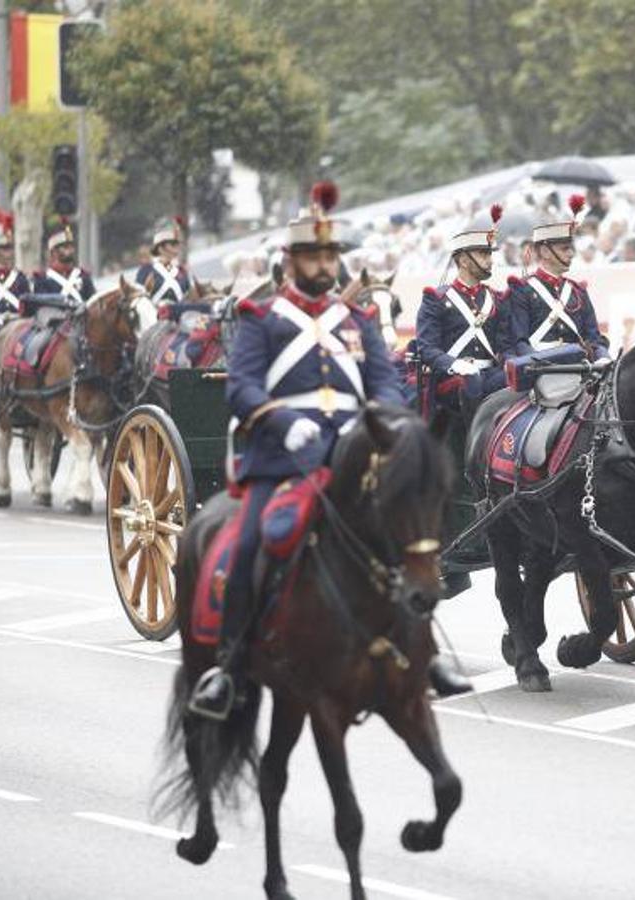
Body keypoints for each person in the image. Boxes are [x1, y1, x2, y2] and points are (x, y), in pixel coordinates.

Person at [189, 182, 456, 719]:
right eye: (312, 255)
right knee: (252, 544)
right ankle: (230, 661)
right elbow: (241, 387)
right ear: (290, 262)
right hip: (281, 458)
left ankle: (423, 655)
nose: (322, 264)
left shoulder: (356, 322)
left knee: (407, 540)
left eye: (329, 255)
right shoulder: (260, 319)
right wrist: (282, 420)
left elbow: (385, 383)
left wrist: (383, 422)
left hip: (352, 455)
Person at [414, 206, 508, 419]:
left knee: (516, 379)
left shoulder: (495, 298)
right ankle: (472, 443)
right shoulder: (436, 298)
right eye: (483, 254)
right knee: (471, 382)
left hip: (489, 373)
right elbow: (427, 349)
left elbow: (504, 343)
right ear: (464, 260)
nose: (490, 260)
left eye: (489, 254)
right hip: (452, 378)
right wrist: (454, 364)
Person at [504, 195, 610, 362]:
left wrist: (603, 357)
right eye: (564, 249)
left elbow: (594, 338)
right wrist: (541, 363)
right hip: (540, 368)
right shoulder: (522, 290)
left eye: (571, 248)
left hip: (578, 365)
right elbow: (519, 342)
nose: (571, 254)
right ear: (545, 252)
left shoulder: (578, 291)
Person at [135, 219, 194, 312]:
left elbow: (191, 299)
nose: (177, 248)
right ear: (160, 248)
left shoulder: (182, 271)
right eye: (173, 244)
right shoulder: (145, 270)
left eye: (177, 244)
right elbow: (138, 301)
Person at [32, 225, 96, 306]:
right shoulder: (42, 280)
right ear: (54, 252)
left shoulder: (83, 276)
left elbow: (93, 304)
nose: (70, 250)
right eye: (65, 247)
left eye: (71, 246)